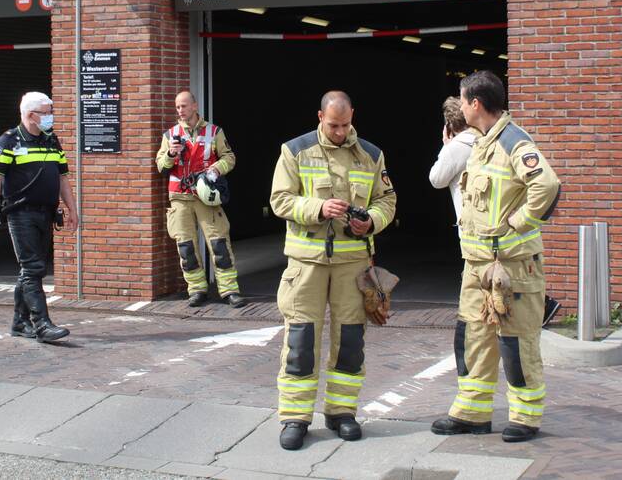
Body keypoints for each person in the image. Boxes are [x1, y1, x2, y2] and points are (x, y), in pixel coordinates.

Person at [431, 71, 560, 443]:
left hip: (512, 267)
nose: (458, 104)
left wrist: (518, 223)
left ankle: (525, 417)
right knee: (474, 337)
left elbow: (547, 184)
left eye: (462, 98)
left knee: (516, 343)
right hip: (477, 266)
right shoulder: (482, 142)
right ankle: (472, 413)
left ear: (475, 103)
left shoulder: (513, 142)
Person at [269, 90, 397, 450]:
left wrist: (370, 221)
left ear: (352, 115)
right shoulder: (294, 150)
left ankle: (342, 412)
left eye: (345, 124)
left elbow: (387, 200)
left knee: (350, 343)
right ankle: (295, 417)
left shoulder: (371, 154)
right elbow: (280, 199)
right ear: (320, 117)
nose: (340, 132)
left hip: (352, 264)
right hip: (306, 264)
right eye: (333, 125)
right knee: (300, 342)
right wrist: (318, 208)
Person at [0, 92, 79, 344]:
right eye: (47, 112)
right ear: (30, 115)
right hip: (20, 213)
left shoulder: (51, 140)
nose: (51, 117)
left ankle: (19, 321)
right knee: (33, 268)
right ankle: (42, 324)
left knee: (30, 269)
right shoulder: (8, 141)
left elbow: (62, 178)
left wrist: (72, 209)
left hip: (45, 212)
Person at [155, 90, 246, 308]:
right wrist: (170, 155)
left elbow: (229, 157)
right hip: (180, 197)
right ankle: (196, 290)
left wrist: (216, 169)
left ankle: (229, 290)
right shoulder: (170, 135)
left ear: (195, 106)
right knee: (185, 247)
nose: (180, 111)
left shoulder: (214, 131)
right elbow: (160, 166)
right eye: (177, 107)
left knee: (219, 244)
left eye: (184, 106)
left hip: (206, 197)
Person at [428, 96, 478, 222]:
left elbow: (436, 180)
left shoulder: (454, 148)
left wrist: (447, 147)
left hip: (469, 225)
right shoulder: (484, 139)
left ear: (448, 126)